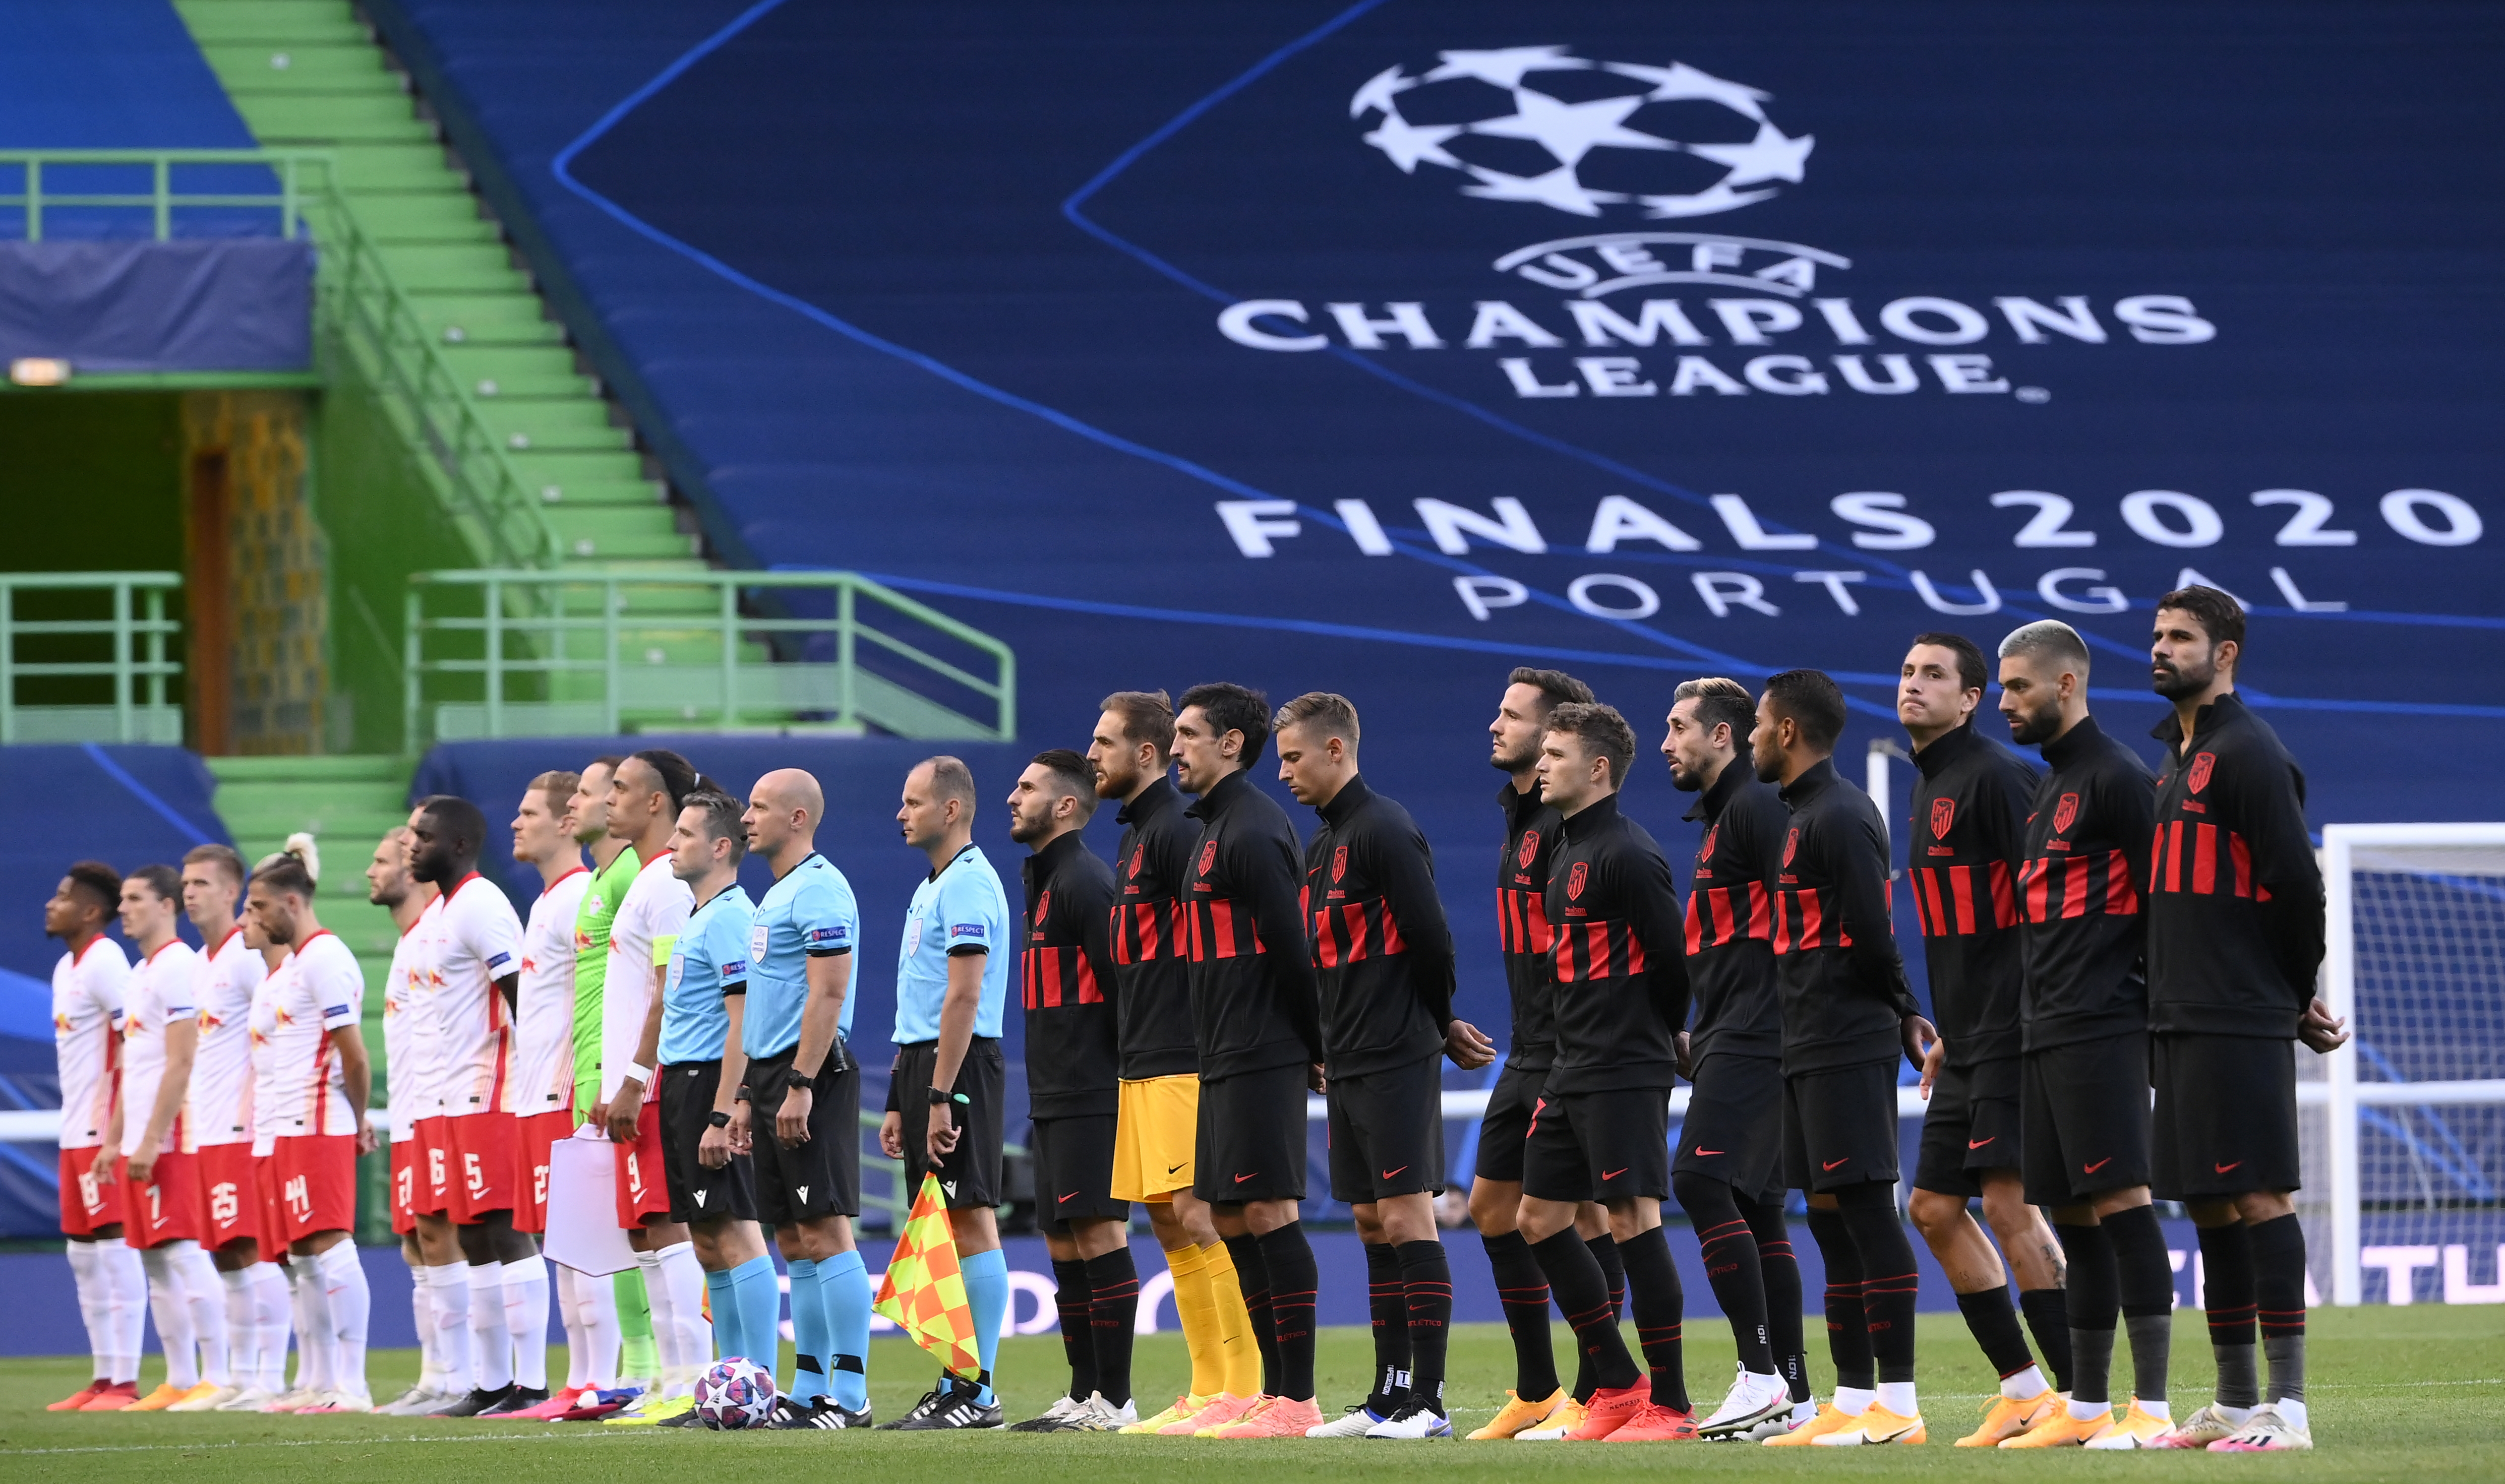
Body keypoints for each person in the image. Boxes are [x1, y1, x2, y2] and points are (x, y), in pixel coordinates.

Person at [2140, 589, 2343, 1452]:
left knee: (2258, 1193)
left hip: (2236, 1010)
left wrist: (2289, 993)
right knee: (2209, 1203)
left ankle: (2287, 1409)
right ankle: (2231, 1402)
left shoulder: (2250, 753)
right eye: (2157, 635)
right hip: (2179, 1013)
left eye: (2180, 637)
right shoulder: (2174, 756)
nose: (2161, 648)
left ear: (2225, 653)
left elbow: (2297, 886)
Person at [1271, 694, 1489, 1440]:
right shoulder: (1321, 845)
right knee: (1369, 1222)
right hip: (1348, 1058)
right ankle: (1387, 1396)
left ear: (1336, 750)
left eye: (1294, 757)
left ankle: (1428, 1402)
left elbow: (1431, 938)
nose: (1284, 772)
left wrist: (1436, 1023)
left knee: (1405, 1216)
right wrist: (1321, 1043)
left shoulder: (1386, 828)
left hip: (1396, 1051)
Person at [1988, 619, 2172, 1449]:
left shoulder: (2119, 778)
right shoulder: (2050, 788)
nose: (2004, 702)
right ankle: (2088, 1407)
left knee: (2123, 1208)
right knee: (2073, 1218)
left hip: (2102, 1027)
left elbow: (2166, 905)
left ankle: (2152, 1408)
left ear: (2065, 684)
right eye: (2002, 686)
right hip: (2043, 1032)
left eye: (2017, 686)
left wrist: (2149, 1014)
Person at [1749, 670, 1935, 1448]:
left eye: (1759, 723)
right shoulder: (1800, 815)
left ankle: (1900, 1402)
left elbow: (1871, 930)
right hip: (1805, 1044)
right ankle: (1854, 1398)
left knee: (1867, 1214)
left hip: (1846, 1042)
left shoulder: (1843, 813)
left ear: (1788, 731)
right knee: (1828, 1223)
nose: (1753, 737)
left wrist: (1904, 1010)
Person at [1895, 634, 2073, 1445]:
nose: (1915, 684)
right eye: (1908, 672)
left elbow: (2052, 905)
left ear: (1972, 699)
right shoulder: (1930, 784)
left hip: (2017, 1032)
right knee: (1933, 1208)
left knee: (2007, 1204)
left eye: (1935, 675)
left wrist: (2032, 1018)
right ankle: (2027, 1393)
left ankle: (2083, 1403)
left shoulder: (2001, 779)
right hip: (1967, 1039)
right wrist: (1951, 1032)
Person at [1514, 702, 1697, 1443]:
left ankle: (1672, 1405)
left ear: (1598, 769)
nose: (1540, 764)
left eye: (1555, 754)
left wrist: (1658, 1035)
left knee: (1632, 1220)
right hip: (1571, 1066)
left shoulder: (1629, 852)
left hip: (1623, 1065)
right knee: (1537, 1218)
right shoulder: (1565, 850)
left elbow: (1672, 963)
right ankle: (1619, 1385)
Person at [1088, 691, 1264, 1436]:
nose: (1091, 755)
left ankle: (1244, 1388)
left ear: (1146, 753)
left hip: (1184, 1052)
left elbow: (1220, 936)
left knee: (1199, 1213)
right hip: (1143, 1056)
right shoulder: (1138, 833)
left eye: (1104, 742)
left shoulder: (1174, 830)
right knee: (1166, 1220)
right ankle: (1204, 1386)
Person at [1468, 667, 1627, 1443]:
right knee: (1491, 1208)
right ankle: (1538, 1390)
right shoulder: (1521, 817)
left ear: (1555, 733)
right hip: (1529, 1047)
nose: (1495, 725)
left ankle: (1602, 1391)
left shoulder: (1571, 825)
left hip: (1573, 1049)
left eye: (1511, 715)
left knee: (1587, 1216)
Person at [1170, 683, 1327, 1440]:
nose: (1175, 748)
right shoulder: (1213, 828)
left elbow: (1293, 948)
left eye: (1188, 735)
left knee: (1267, 1213)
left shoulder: (1257, 828)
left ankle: (1299, 1400)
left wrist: (1314, 1045)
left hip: (1263, 1048)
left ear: (1231, 744)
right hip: (1222, 1052)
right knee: (1230, 1215)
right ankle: (1273, 1391)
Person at [1661, 677, 1812, 1440]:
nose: (1667, 744)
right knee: (1757, 1207)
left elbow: (1804, 911)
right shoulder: (1726, 816)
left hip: (1757, 1030)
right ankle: (1796, 1394)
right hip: (1733, 1027)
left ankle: (1758, 1376)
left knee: (1698, 1178)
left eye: (1679, 727)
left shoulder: (1754, 808)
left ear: (1723, 735)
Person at [615, 791, 778, 1386]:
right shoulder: (699, 916)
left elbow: (743, 1020)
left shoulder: (732, 916)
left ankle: (759, 1380)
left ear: (720, 847)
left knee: (736, 1230)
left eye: (684, 835)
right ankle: (727, 1382)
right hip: (682, 1083)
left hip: (711, 1082)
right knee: (707, 1241)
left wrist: (722, 1112)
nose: (669, 844)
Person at [879, 756, 1016, 1431]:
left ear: (951, 809)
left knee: (970, 1219)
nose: (901, 813)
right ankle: (955, 1380)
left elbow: (964, 996)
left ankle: (977, 1389)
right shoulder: (934, 884)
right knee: (944, 1223)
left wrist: (938, 1093)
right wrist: (899, 1095)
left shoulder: (968, 883)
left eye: (913, 802)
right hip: (925, 1064)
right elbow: (925, 995)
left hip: (955, 1066)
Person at [1004, 748, 1137, 1431]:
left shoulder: (1086, 882)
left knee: (1098, 1232)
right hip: (1054, 1095)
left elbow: (1125, 994)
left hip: (1092, 1092)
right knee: (1061, 1242)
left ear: (1064, 806)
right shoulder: (1044, 881)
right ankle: (1084, 1394)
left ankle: (1115, 1400)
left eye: (1027, 788)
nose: (1012, 797)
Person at [739, 767, 873, 1431]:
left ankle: (851, 1393)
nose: (747, 817)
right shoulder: (778, 893)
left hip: (807, 1075)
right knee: (793, 1237)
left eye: (759, 806)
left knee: (825, 1229)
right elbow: (770, 1002)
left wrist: (800, 1083)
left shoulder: (820, 887)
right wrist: (748, 1093)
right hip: (770, 1076)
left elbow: (829, 992)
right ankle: (810, 1387)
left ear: (798, 818)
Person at [405, 795, 542, 1416]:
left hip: (491, 1091)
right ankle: (491, 1384)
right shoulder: (440, 911)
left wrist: (529, 1080)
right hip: (448, 1099)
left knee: (505, 1228)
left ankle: (531, 1382)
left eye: (424, 836)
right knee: (471, 1233)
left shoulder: (482, 903)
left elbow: (520, 996)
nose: (413, 845)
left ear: (459, 845)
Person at [245, 839, 377, 1414]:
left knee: (330, 1245)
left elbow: (355, 1055)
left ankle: (353, 1382)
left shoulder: (326, 958)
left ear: (292, 903)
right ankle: (319, 1380)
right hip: (284, 1127)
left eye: (259, 906)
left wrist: (358, 1119)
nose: (253, 918)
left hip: (319, 1119)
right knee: (299, 1255)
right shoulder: (292, 967)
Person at [598, 751, 703, 1425]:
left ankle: (691, 1382)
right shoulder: (644, 879)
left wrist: (636, 1080)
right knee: (644, 1235)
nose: (609, 798)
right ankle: (668, 1383)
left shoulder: (667, 880)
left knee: (668, 1227)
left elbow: (671, 993)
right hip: (632, 1084)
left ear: (658, 802)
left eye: (621, 788)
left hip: (658, 1084)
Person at [502, 773, 605, 1419]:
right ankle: (578, 1380)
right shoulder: (545, 902)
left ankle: (599, 1378)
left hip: (564, 1091)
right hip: (533, 1092)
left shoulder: (579, 898)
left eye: (530, 812)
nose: (516, 823)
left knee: (580, 1241)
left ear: (567, 821)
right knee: (557, 1242)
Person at [104, 864, 226, 1410]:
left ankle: (217, 1374)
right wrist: (116, 1140)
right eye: (122, 899)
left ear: (166, 905)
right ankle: (179, 1378)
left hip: (173, 1136)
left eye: (135, 898)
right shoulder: (139, 972)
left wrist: (154, 1138)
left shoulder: (179, 967)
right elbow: (134, 1065)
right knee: (155, 1260)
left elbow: (182, 1060)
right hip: (140, 1137)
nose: (123, 908)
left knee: (183, 1251)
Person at [180, 843, 289, 1411]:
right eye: (185, 883)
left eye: (201, 883)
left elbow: (272, 1032)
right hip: (207, 1129)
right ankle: (239, 1374)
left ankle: (270, 1375)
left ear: (231, 892)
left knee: (252, 1249)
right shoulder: (201, 963)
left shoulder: (247, 959)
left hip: (243, 1128)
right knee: (224, 1254)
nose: (189, 893)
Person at [562, 757, 646, 1416]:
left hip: (617, 1076)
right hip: (589, 1069)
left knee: (639, 1227)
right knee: (607, 1229)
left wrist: (623, 1074)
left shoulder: (631, 875)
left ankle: (647, 1370)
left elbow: (646, 985)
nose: (578, 802)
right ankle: (626, 1372)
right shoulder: (600, 878)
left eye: (591, 792)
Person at [46, 860, 145, 1412]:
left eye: (63, 897)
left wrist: (117, 1135)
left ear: (89, 911)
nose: (50, 904)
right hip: (73, 1131)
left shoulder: (107, 961)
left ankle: (125, 1381)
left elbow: (136, 1044)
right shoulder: (67, 967)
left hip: (103, 1131)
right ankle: (102, 1376)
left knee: (114, 1250)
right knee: (83, 1256)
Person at [366, 830, 459, 1416]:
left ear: (411, 869)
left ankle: (462, 1376)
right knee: (416, 1245)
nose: (371, 871)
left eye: (382, 861)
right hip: (408, 1113)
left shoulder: (439, 932)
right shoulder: (410, 941)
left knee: (444, 1237)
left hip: (442, 1109)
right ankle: (435, 1375)